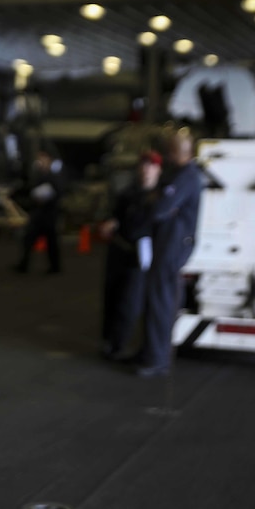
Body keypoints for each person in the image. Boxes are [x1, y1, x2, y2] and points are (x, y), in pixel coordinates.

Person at [134, 126, 203, 377]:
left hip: (172, 247)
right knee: (156, 300)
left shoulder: (186, 176)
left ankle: (157, 360)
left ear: (176, 152)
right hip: (168, 245)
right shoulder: (182, 175)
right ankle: (150, 352)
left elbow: (160, 208)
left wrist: (159, 199)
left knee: (161, 303)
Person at [98, 150, 162, 361]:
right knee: (112, 295)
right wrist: (111, 222)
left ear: (158, 170)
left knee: (130, 300)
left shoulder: (160, 198)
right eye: (143, 165)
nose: (146, 170)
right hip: (119, 249)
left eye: (150, 166)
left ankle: (119, 344)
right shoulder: (128, 193)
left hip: (140, 255)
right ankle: (108, 339)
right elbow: (116, 214)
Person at [14, 149, 63, 274]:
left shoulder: (52, 177)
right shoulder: (39, 176)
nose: (40, 162)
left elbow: (57, 193)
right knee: (29, 239)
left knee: (51, 243)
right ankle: (24, 264)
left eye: (43, 159)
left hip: (48, 214)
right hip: (39, 214)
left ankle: (54, 267)